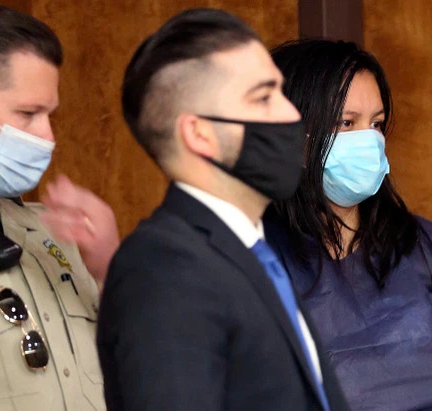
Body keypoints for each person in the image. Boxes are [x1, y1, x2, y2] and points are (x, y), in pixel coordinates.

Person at [96, 8, 349, 411]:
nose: (292, 115)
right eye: (263, 97)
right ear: (199, 133)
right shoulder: (163, 267)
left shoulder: (250, 254)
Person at [262, 39, 432, 411]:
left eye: (377, 124)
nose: (368, 140)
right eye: (347, 123)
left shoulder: (429, 249)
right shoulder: (253, 265)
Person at [0, 4, 107, 410]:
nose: (48, 137)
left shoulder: (55, 230)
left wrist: (109, 266)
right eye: (28, 114)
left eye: (49, 115)